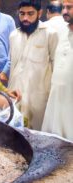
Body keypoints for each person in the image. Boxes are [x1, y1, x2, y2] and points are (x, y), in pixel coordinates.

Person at [8, 0, 58, 130]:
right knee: (14, 133)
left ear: (39, 13)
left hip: (39, 98)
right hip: (16, 95)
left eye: (30, 14)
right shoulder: (14, 35)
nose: (25, 18)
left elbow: (55, 66)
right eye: (22, 14)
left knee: (37, 135)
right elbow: (12, 64)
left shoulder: (50, 34)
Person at [42, 0, 73, 140]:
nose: (65, 12)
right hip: (56, 99)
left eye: (70, 7)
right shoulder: (61, 32)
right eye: (64, 7)